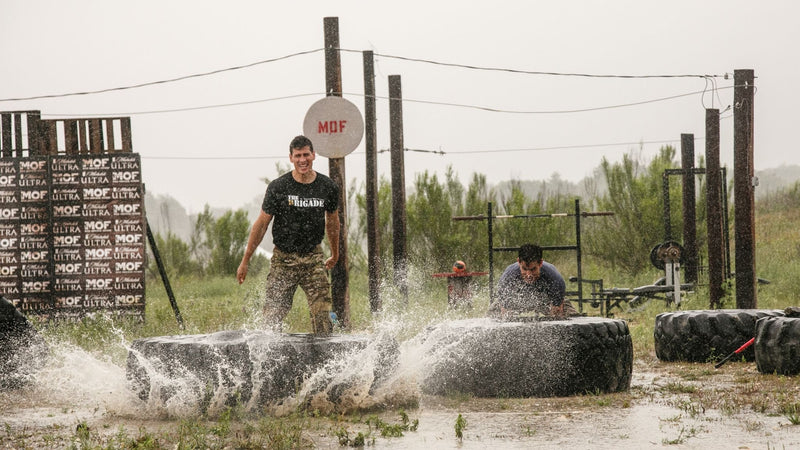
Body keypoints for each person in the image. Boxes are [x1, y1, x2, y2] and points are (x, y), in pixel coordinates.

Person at [237, 135, 339, 334]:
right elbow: (261, 225)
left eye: (306, 155)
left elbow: (333, 223)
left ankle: (326, 361)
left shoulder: (327, 187)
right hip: (283, 260)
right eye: (298, 155)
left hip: (313, 259)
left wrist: (335, 254)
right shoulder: (279, 187)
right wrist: (245, 259)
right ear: (291, 158)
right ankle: (268, 359)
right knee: (272, 318)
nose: (303, 160)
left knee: (323, 316)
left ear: (313, 155)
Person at [489, 243, 578, 318]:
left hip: (546, 300)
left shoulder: (555, 279)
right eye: (524, 269)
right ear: (519, 262)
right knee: (491, 318)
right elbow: (506, 315)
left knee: (572, 319)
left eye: (533, 269)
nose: (529, 275)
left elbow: (557, 315)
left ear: (540, 263)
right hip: (516, 300)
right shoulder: (507, 278)